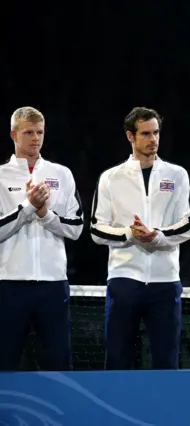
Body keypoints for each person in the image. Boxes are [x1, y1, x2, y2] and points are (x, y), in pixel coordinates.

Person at [90, 107, 190, 370]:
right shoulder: (111, 178)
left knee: (167, 361)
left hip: (166, 280)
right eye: (146, 134)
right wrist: (129, 234)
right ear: (130, 136)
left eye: (156, 133)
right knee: (117, 358)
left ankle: (165, 411)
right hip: (124, 279)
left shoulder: (177, 175)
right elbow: (96, 228)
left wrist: (157, 236)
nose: (153, 139)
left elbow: (189, 223)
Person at [0, 106, 84, 371]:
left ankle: (62, 414)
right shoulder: (0, 177)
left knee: (60, 363)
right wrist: (27, 208)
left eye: (39, 132)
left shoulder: (62, 174)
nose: (35, 138)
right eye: (28, 132)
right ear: (13, 134)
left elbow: (76, 228)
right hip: (10, 284)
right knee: (5, 361)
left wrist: (45, 214)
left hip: (53, 283)